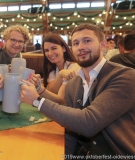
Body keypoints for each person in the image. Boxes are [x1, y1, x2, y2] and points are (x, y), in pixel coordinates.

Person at [20, 23, 135, 156]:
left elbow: (89, 123)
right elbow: (70, 131)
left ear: (103, 45)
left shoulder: (125, 76)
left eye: (87, 41)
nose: (80, 47)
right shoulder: (73, 85)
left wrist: (37, 101)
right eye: (75, 43)